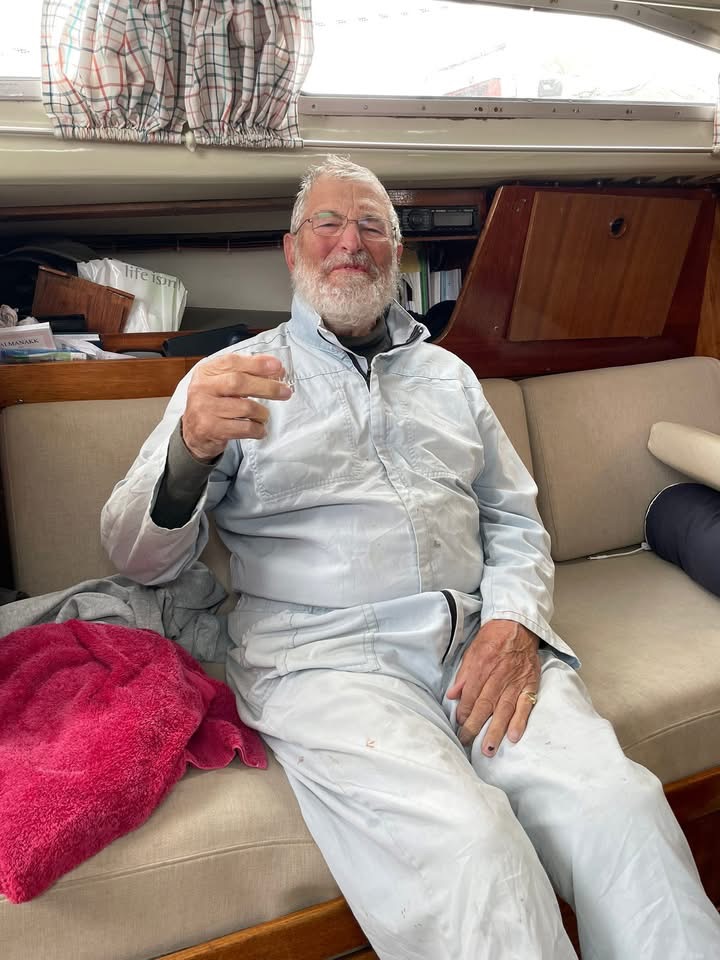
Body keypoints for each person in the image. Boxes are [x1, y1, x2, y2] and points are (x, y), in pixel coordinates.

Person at [102, 156, 720, 960]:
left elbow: (515, 519)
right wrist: (189, 447)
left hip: (476, 640)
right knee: (474, 854)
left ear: (396, 255)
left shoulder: (450, 377)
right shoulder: (233, 381)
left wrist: (514, 622)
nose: (350, 243)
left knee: (619, 809)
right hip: (326, 661)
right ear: (292, 250)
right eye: (328, 223)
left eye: (372, 227)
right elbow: (136, 557)